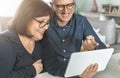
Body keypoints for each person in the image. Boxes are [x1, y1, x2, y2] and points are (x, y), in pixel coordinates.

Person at [42, 0, 106, 78]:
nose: (66, 11)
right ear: (52, 5)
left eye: (69, 5)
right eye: (60, 6)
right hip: (49, 73)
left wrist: (94, 47)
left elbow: (103, 49)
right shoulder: (44, 22)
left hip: (76, 70)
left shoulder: (81, 21)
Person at [0, 0, 52, 78]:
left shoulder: (40, 39)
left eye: (47, 22)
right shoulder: (5, 44)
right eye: (41, 21)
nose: (46, 27)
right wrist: (33, 70)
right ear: (25, 19)